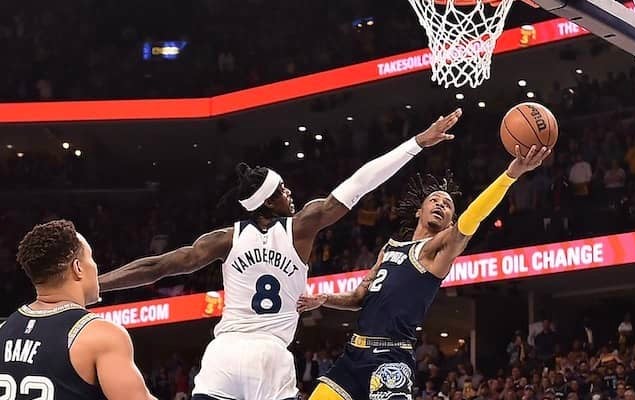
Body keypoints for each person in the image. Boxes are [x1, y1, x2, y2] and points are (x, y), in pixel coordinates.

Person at [97, 110, 462, 400]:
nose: (290, 193)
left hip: (223, 355)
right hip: (270, 356)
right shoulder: (301, 227)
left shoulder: (224, 239)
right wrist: (416, 143)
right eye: (282, 190)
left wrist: (97, 286)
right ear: (268, 203)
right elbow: (359, 183)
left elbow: (157, 267)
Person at [298, 144, 551, 400]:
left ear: (452, 221)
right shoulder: (388, 248)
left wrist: (510, 175)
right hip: (352, 356)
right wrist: (324, 299)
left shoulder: (437, 252)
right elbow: (358, 298)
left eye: (448, 205)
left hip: (390, 359)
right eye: (434, 200)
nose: (440, 204)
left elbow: (473, 217)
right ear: (419, 210)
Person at [0, 220, 155, 400]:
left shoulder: (3, 329)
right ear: (77, 268)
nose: (95, 267)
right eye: (91, 258)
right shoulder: (99, 334)